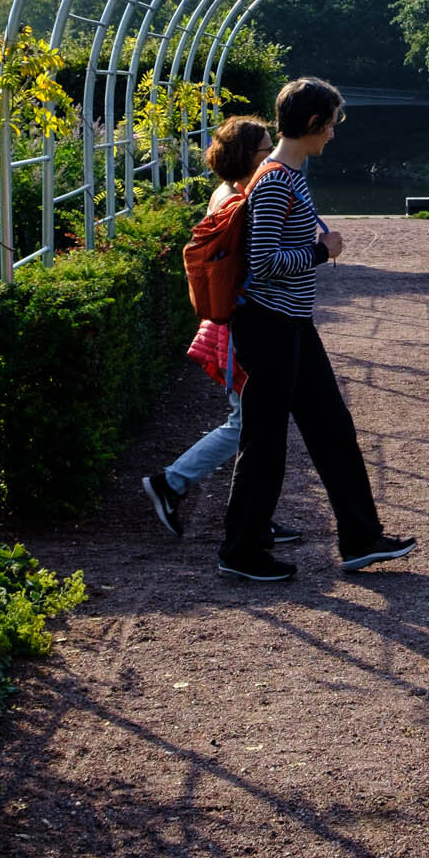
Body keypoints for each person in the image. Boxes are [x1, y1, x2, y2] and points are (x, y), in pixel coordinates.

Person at [217, 77, 417, 582]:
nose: (334, 133)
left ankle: (360, 537)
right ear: (311, 124)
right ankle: (241, 551)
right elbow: (262, 263)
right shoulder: (278, 179)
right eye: (330, 124)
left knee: (332, 429)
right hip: (271, 326)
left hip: (291, 325)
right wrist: (319, 251)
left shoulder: (286, 174)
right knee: (265, 441)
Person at [141, 116, 299, 548]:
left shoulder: (226, 192)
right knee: (245, 421)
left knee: (253, 422)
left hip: (227, 321)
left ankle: (256, 514)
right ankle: (171, 483)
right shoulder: (239, 201)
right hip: (239, 323)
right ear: (249, 155)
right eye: (266, 148)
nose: (273, 154)